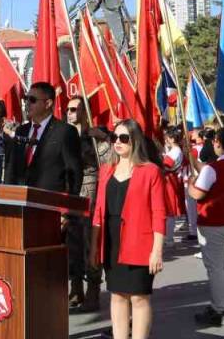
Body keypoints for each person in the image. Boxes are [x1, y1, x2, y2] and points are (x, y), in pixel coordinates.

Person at [88, 120, 166, 339]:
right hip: (111, 240)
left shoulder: (150, 171)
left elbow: (159, 213)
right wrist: (94, 245)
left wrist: (157, 250)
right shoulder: (106, 170)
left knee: (139, 297)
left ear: (135, 140)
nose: (118, 143)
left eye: (124, 138)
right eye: (114, 138)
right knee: (117, 295)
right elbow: (98, 211)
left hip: (140, 242)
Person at [189, 126, 224, 326]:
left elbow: (198, 193)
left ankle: (218, 310)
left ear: (219, 144)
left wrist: (190, 184)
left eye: (215, 141)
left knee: (216, 268)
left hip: (215, 221)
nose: (213, 144)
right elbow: (208, 174)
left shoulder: (213, 168)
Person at [69, 96, 117, 311]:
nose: (70, 113)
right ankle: (75, 286)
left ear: (85, 112)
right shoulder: (64, 134)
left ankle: (93, 289)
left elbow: (112, 160)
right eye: (68, 109)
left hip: (91, 194)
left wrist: (104, 138)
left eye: (75, 109)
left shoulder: (95, 136)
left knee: (90, 243)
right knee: (71, 243)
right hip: (69, 194)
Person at [11, 82, 82, 195]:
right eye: (26, 99)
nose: (27, 103)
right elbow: (14, 168)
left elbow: (74, 172)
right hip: (20, 199)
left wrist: (68, 207)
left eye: (32, 100)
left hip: (50, 202)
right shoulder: (21, 131)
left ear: (48, 103)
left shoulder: (65, 131)